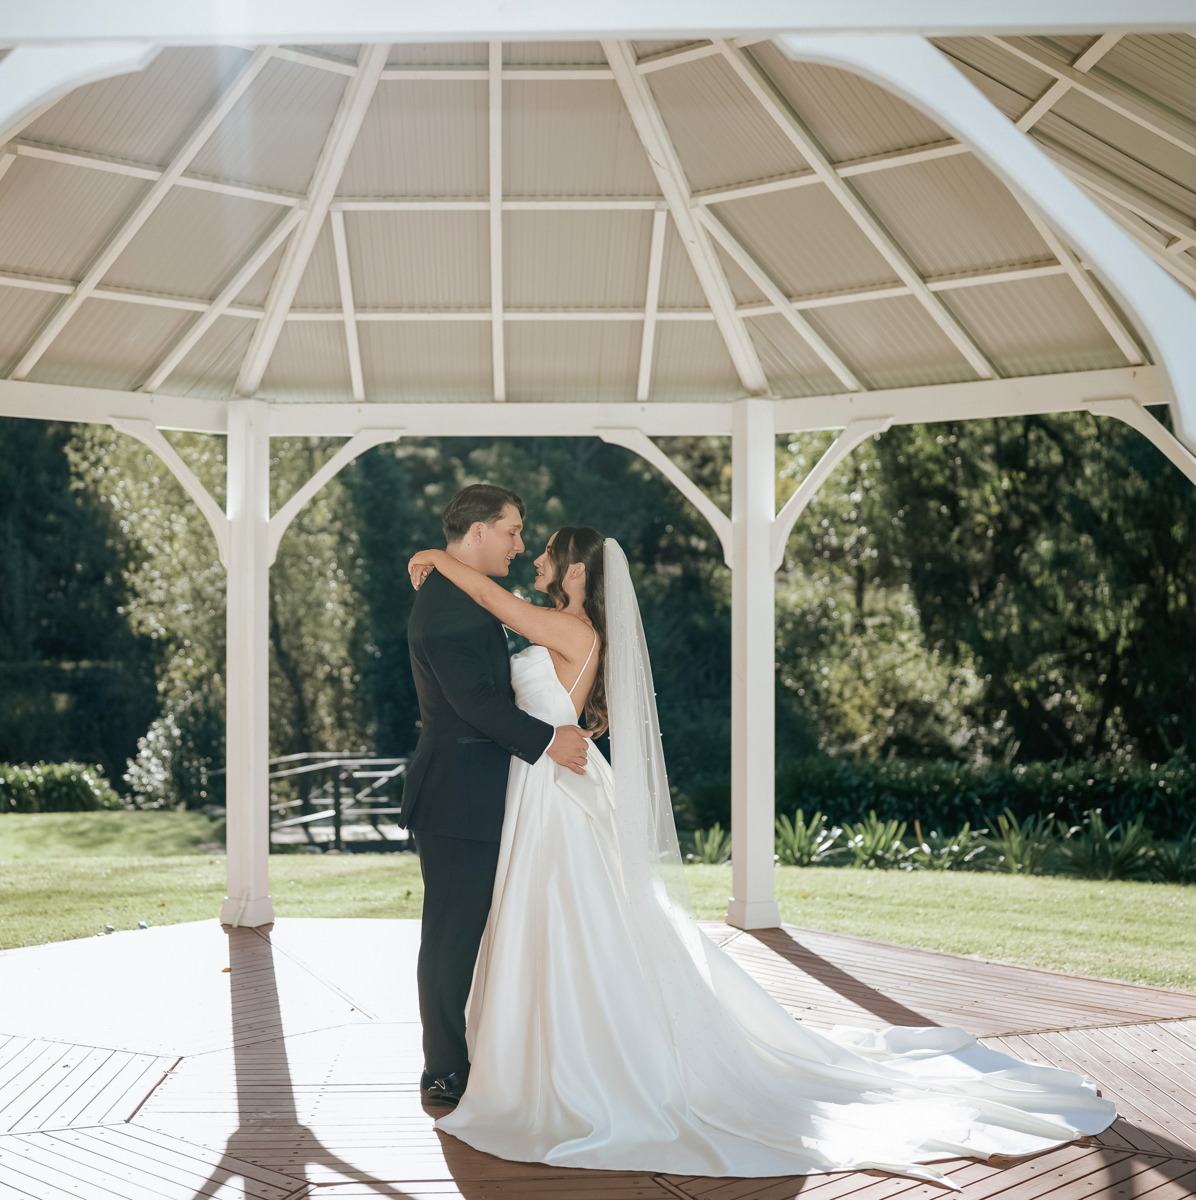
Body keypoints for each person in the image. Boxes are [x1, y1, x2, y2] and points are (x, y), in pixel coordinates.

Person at [405, 525, 1118, 1186]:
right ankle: (546, 1053)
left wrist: (440, 558)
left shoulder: (570, 628)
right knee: (560, 923)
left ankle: (572, 1062)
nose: (533, 556)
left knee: (568, 919)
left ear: (576, 572)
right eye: (523, 540)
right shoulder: (563, 624)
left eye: (546, 552)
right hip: (544, 780)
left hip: (554, 789)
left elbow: (493, 600)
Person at [398, 484, 595, 1110]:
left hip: (484, 791)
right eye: (511, 531)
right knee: (451, 935)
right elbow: (475, 703)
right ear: (478, 531)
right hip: (457, 794)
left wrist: (438, 555)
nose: (519, 545)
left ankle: (486, 1053)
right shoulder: (450, 607)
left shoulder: (462, 595)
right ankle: (443, 1070)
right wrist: (549, 740)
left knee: (472, 931)